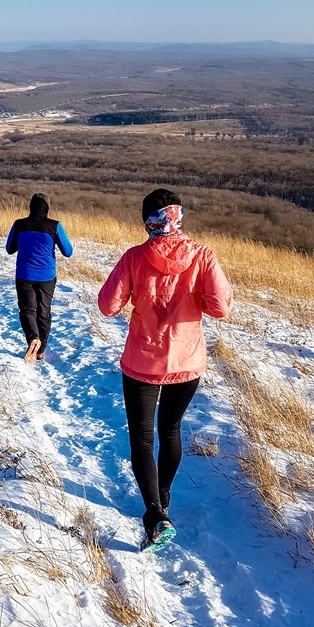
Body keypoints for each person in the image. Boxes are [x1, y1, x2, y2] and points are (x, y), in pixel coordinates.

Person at [97, 189, 232, 552]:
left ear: (147, 222)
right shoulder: (202, 255)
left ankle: (155, 513)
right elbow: (220, 308)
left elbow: (107, 306)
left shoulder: (134, 258)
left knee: (142, 438)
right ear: (179, 216)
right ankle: (164, 496)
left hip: (142, 362)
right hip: (187, 363)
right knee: (170, 430)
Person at [5, 193, 73, 364]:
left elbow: (9, 249)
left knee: (27, 310)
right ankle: (41, 351)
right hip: (47, 276)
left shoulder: (19, 224)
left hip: (24, 275)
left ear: (31, 206)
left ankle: (33, 338)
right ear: (47, 207)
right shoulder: (54, 226)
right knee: (44, 312)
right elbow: (68, 251)